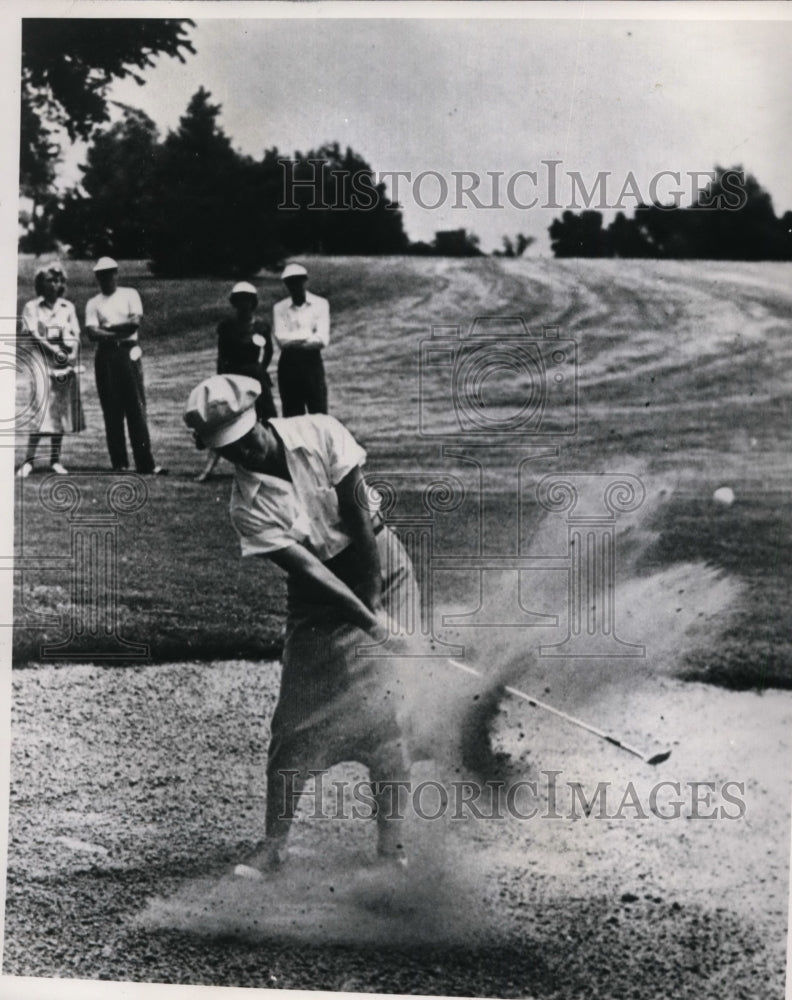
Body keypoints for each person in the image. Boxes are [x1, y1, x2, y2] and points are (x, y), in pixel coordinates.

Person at [184, 374, 415, 875]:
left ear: (260, 419)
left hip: (381, 565)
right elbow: (310, 571)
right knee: (294, 723)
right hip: (318, 597)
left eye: (247, 441)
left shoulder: (321, 433)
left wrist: (377, 611)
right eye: (229, 451)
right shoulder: (246, 506)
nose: (243, 455)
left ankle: (392, 850)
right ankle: (273, 846)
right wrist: (371, 624)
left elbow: (359, 522)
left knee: (384, 714)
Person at [84, 257, 166, 474]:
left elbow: (133, 325)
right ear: (98, 277)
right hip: (106, 355)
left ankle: (145, 463)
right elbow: (92, 333)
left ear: (116, 274)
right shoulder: (93, 303)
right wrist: (113, 332)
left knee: (136, 409)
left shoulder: (130, 294)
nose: (107, 278)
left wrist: (108, 328)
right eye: (102, 274)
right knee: (112, 409)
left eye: (110, 273)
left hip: (128, 352)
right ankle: (119, 463)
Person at [195, 281, 277, 483]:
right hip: (232, 377)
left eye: (247, 300)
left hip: (255, 378)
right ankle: (209, 468)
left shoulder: (261, 326)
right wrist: (220, 379)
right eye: (239, 300)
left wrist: (260, 369)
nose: (243, 304)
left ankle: (272, 464)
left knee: (267, 419)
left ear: (253, 302)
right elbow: (221, 355)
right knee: (223, 421)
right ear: (234, 302)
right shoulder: (226, 327)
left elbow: (269, 351)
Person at [16, 264, 85, 477]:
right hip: (40, 363)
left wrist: (71, 351)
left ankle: (56, 460)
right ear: (40, 284)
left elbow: (75, 333)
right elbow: (34, 335)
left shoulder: (67, 307)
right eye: (49, 280)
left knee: (60, 410)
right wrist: (54, 349)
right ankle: (29, 461)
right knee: (40, 407)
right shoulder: (31, 307)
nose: (54, 284)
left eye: (57, 280)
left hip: (63, 364)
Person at [272, 262, 330, 416]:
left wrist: (294, 339)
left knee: (318, 412)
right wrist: (307, 335)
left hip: (312, 363)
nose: (295, 285)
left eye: (298, 280)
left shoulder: (320, 304)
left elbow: (321, 339)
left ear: (305, 280)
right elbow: (281, 340)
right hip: (289, 365)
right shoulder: (280, 308)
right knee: (292, 414)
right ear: (286, 284)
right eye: (290, 282)